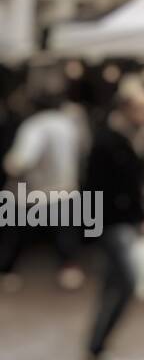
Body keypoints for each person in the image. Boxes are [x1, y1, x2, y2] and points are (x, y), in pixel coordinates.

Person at [83, 76, 144, 360]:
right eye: (143, 109)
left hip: (123, 223)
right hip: (112, 225)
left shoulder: (130, 138)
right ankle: (97, 350)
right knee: (125, 284)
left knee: (114, 287)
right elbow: (95, 188)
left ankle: (97, 350)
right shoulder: (107, 140)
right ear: (128, 108)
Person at [2, 92, 89, 292]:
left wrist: (10, 167)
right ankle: (69, 272)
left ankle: (7, 272)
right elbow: (83, 150)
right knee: (65, 232)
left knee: (16, 232)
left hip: (36, 190)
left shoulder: (34, 125)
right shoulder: (68, 124)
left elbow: (22, 159)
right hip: (65, 188)